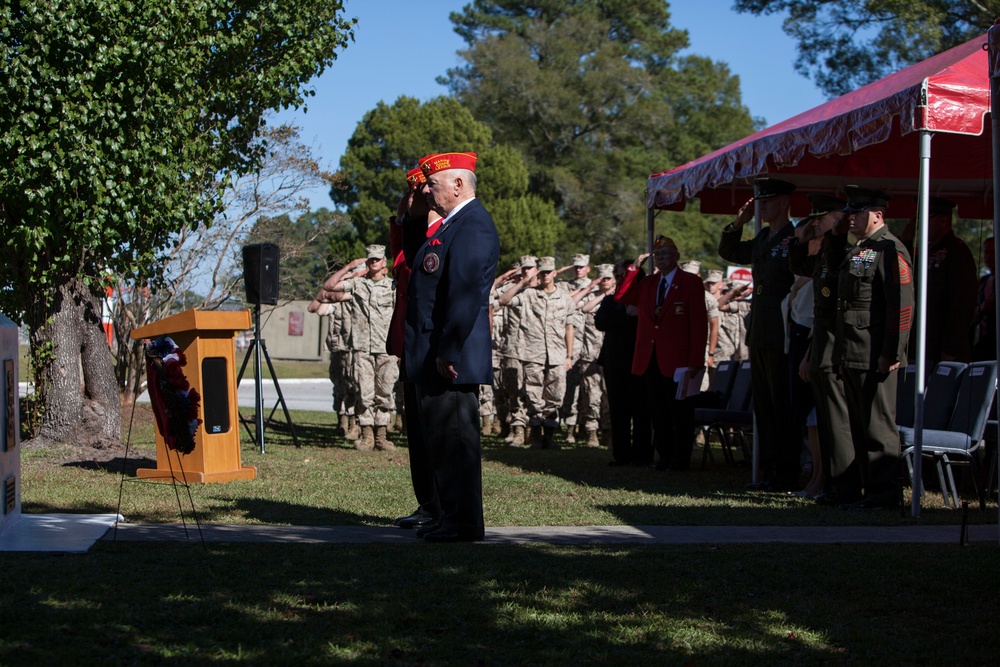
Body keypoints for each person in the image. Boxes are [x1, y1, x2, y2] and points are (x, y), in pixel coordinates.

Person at [401, 151, 499, 542]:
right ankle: (449, 515)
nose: (426, 190)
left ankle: (463, 522)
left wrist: (449, 350)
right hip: (438, 354)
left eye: (432, 184)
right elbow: (418, 263)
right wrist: (409, 216)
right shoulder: (450, 225)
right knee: (441, 442)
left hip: (450, 358)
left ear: (458, 184)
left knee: (456, 441)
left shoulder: (472, 226)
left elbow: (463, 295)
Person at [834, 185, 913, 510]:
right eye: (849, 212)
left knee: (878, 425)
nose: (851, 218)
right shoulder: (863, 248)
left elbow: (901, 306)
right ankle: (867, 491)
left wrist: (891, 352)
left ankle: (883, 494)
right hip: (854, 351)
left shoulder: (890, 249)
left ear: (877, 214)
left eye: (857, 212)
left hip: (875, 353)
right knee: (859, 425)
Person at [718, 177, 800, 491]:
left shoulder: (795, 236)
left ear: (784, 203)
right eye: (760, 202)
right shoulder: (764, 237)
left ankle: (786, 472)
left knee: (782, 405)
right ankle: (769, 471)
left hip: (783, 329)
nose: (761, 207)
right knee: (764, 406)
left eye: (767, 202)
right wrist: (740, 221)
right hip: (761, 329)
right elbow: (729, 251)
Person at [615, 235, 708, 471]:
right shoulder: (648, 283)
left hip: (678, 359)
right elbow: (622, 297)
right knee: (658, 413)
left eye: (666, 253)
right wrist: (633, 269)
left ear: (676, 256)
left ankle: (680, 460)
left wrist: (696, 360)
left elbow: (698, 324)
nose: (661, 258)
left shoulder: (690, 282)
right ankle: (664, 457)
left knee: (680, 414)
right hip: (651, 358)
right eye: (657, 255)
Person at [789, 193, 855, 504]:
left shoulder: (847, 254)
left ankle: (833, 481)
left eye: (823, 217)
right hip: (818, 346)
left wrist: (811, 351)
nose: (817, 223)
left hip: (834, 349)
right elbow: (801, 265)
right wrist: (801, 239)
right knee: (816, 419)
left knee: (830, 419)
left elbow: (833, 313)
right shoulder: (827, 254)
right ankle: (820, 476)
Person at [389, 166, 444, 531]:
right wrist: (401, 217)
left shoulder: (443, 233)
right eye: (410, 194)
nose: (414, 199)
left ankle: (442, 505)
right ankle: (427, 504)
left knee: (437, 430)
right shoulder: (412, 232)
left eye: (419, 193)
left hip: (432, 344)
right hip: (410, 342)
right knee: (417, 432)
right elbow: (401, 260)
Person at [321, 245, 398, 451]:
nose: (373, 262)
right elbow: (328, 287)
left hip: (386, 348)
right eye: (370, 259)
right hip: (362, 348)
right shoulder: (356, 284)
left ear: (384, 262)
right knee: (364, 393)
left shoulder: (393, 287)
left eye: (377, 259)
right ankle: (367, 437)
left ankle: (381, 436)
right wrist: (349, 267)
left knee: (385, 392)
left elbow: (401, 316)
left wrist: (399, 347)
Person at [499, 256, 575, 449]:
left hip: (557, 354)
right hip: (533, 353)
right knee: (533, 394)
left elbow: (569, 327)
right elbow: (504, 299)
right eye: (542, 272)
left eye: (549, 272)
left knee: (555, 395)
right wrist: (524, 281)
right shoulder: (529, 294)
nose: (545, 275)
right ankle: (535, 435)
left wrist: (569, 355)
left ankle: (549, 436)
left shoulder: (565, 297)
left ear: (555, 273)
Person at [911, 197, 978, 366]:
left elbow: (962, 303)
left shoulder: (957, 251)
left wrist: (951, 348)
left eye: (926, 218)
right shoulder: (928, 250)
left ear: (942, 220)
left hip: (945, 349)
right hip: (925, 343)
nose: (920, 224)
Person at [595, 260, 650, 465]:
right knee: (619, 411)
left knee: (642, 410)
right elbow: (600, 322)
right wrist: (624, 313)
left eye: (623, 276)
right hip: (615, 362)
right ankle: (621, 455)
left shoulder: (645, 300)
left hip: (640, 362)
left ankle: (642, 455)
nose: (620, 280)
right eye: (617, 276)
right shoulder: (612, 301)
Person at [973, 236, 996, 361]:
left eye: (993, 252)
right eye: (986, 252)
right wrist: (981, 308)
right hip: (982, 345)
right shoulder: (982, 282)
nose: (988, 256)